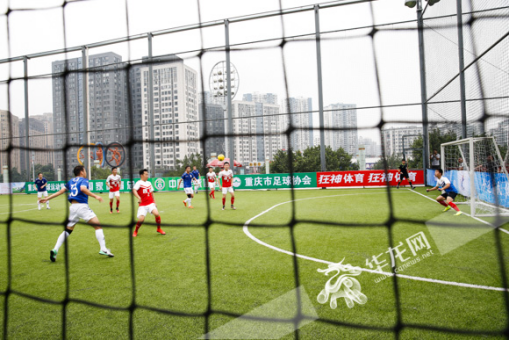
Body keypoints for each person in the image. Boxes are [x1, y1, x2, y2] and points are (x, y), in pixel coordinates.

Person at [39, 165, 113, 262]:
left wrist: (47, 198)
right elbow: (82, 189)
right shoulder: (84, 180)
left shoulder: (71, 181)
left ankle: (55, 249)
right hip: (82, 207)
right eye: (85, 170)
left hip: (73, 208)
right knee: (98, 226)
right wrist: (95, 196)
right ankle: (103, 248)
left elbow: (61, 191)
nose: (85, 172)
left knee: (67, 230)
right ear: (81, 172)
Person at [132, 169, 165, 237]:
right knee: (141, 219)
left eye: (147, 174)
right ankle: (135, 231)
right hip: (143, 205)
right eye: (146, 174)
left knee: (156, 214)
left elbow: (152, 193)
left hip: (150, 203)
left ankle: (159, 229)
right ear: (141, 175)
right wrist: (138, 197)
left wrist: (154, 202)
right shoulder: (139, 183)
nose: (147, 176)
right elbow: (134, 190)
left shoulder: (149, 183)